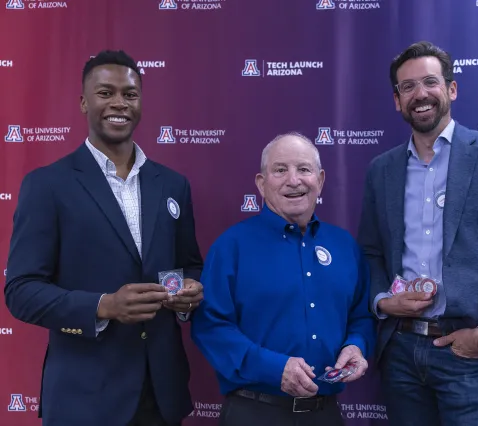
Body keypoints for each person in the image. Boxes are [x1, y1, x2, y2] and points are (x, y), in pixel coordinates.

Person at [4, 50, 204, 426]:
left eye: (129, 94)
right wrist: (104, 306)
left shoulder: (173, 184)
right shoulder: (48, 185)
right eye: (105, 93)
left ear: (141, 102)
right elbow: (21, 291)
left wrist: (190, 293)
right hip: (85, 401)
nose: (119, 103)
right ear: (83, 102)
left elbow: (189, 263)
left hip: (161, 397)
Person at [357, 41, 478, 426]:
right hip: (401, 354)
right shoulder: (381, 170)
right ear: (397, 101)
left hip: (468, 355)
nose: (420, 94)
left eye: (430, 82)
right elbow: (370, 253)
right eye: (407, 87)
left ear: (451, 89)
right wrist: (382, 300)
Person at [190, 132, 376, 426]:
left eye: (304, 169)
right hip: (254, 413)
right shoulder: (231, 247)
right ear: (261, 184)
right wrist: (274, 369)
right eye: (280, 170)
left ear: (321, 179)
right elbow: (211, 328)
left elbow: (361, 316)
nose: (294, 180)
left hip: (326, 414)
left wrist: (356, 346)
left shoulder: (344, 246)